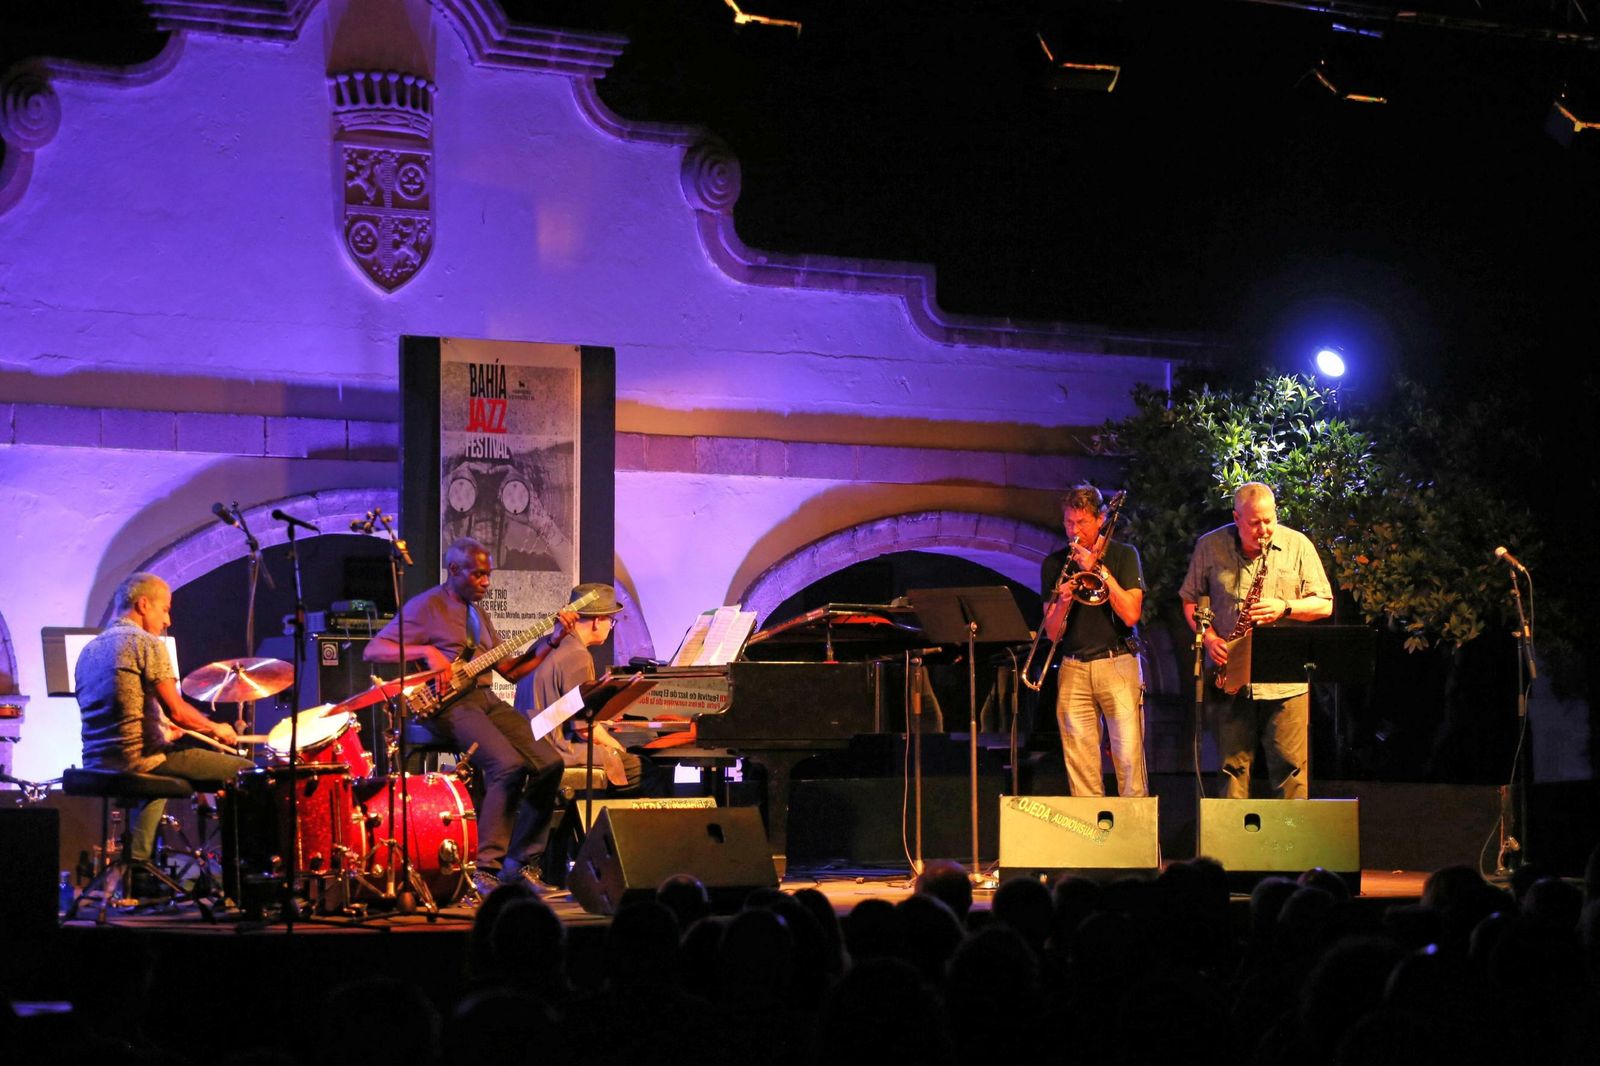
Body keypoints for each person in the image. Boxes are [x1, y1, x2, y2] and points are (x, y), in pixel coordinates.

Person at [364, 537, 570, 892]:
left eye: (488, 575)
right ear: (454, 570)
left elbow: (511, 670)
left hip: (485, 698)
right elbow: (374, 649)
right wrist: (427, 651)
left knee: (550, 763)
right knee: (507, 765)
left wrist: (552, 639)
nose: (486, 583)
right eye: (479, 575)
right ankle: (485, 871)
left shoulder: (477, 612)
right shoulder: (426, 606)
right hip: (448, 704)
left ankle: (519, 865)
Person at [76, 573, 253, 894]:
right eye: (165, 609)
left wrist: (165, 731)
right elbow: (178, 710)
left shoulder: (89, 650)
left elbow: (120, 716)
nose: (168, 620)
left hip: (98, 762)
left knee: (162, 771)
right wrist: (217, 728)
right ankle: (240, 884)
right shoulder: (146, 644)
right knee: (246, 774)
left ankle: (137, 870)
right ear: (142, 605)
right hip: (139, 760)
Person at [1180, 482, 1332, 799]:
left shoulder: (1298, 545)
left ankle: (1290, 842)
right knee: (1230, 769)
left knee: (1290, 769)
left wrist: (1285, 607)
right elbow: (1190, 600)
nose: (1264, 530)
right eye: (1254, 523)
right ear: (1236, 518)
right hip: (1230, 677)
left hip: (1286, 678)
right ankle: (1231, 846)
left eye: (1269, 520)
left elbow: (1324, 603)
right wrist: (1208, 639)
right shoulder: (1210, 546)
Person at [1039, 484, 1147, 797]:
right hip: (1073, 668)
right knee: (1081, 767)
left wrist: (1098, 570)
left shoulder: (1125, 555)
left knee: (1128, 760)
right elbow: (1051, 632)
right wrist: (1061, 600)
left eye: (1082, 523)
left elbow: (1130, 615)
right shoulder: (1054, 564)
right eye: (1069, 523)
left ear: (1100, 519)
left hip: (1118, 663)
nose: (1074, 530)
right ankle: (1092, 841)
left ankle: (1135, 840)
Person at [515, 582, 654, 795]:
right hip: (557, 751)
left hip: (528, 746)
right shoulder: (578, 655)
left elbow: (560, 709)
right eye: (611, 621)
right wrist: (618, 748)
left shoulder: (543, 643)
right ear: (598, 621)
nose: (610, 627)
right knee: (644, 770)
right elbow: (584, 729)